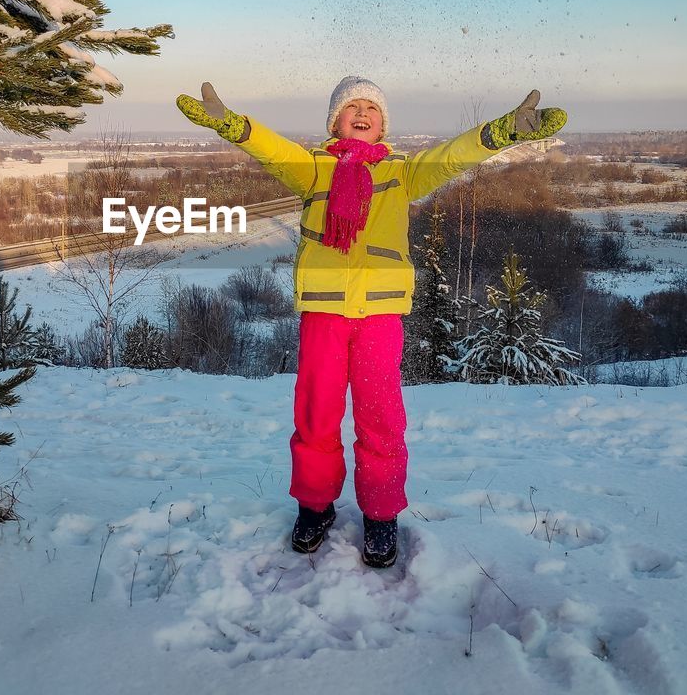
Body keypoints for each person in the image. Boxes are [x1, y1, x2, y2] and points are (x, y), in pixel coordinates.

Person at [175, 76, 566, 567]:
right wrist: (232, 124)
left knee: (380, 417)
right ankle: (315, 507)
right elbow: (272, 150)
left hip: (380, 314)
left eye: (372, 109)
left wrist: (504, 131)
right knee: (316, 415)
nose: (362, 113)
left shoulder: (403, 173)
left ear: (383, 125)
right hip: (325, 312)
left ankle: (381, 515)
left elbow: (453, 156)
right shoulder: (314, 170)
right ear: (334, 122)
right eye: (351, 107)